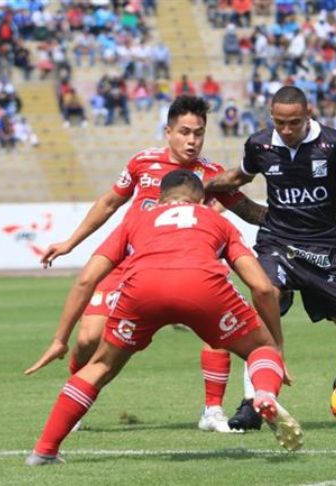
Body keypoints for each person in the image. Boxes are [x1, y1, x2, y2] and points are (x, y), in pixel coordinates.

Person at [24, 170, 303, 466]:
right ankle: (263, 395)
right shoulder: (217, 221)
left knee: (101, 366)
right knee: (261, 350)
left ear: (159, 199)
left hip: (142, 289)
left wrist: (59, 339)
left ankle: (44, 450)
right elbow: (261, 287)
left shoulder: (135, 221)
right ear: (202, 199)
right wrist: (276, 346)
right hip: (203, 287)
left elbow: (86, 281)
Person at [39, 96, 268, 434]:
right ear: (169, 131)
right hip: (126, 264)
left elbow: (247, 211)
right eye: (185, 132)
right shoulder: (142, 163)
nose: (192, 141)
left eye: (199, 134)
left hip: (187, 267)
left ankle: (212, 410)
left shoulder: (212, 175)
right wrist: (70, 243)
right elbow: (108, 203)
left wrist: (296, 219)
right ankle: (76, 402)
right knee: (88, 339)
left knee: (218, 333)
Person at [205, 86, 336, 430]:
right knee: (264, 295)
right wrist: (200, 185)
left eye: (293, 122)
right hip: (278, 244)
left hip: (327, 252)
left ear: (308, 114)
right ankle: (253, 403)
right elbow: (238, 178)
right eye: (279, 122)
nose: (286, 130)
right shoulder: (259, 145)